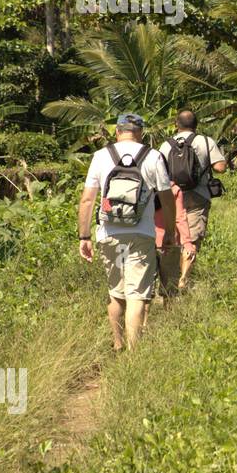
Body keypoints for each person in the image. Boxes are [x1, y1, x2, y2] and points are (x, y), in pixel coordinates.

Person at [76, 112, 176, 352]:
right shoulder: (152, 156)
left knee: (116, 293)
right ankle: (134, 352)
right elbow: (167, 199)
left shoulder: (101, 156)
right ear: (140, 132)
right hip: (141, 235)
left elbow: (87, 200)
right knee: (136, 295)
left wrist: (84, 236)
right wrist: (170, 232)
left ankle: (118, 343)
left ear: (117, 131)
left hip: (109, 235)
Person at [157, 109, 227, 292]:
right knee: (192, 238)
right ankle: (184, 278)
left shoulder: (165, 146)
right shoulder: (205, 141)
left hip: (171, 197)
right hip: (198, 196)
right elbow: (220, 167)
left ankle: (170, 280)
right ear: (196, 125)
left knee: (175, 237)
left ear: (176, 125)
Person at [155, 183, 197, 299]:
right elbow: (180, 218)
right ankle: (169, 315)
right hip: (170, 242)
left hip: (146, 242)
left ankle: (144, 317)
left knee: (146, 292)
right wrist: (187, 243)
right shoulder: (174, 189)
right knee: (170, 290)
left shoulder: (143, 186)